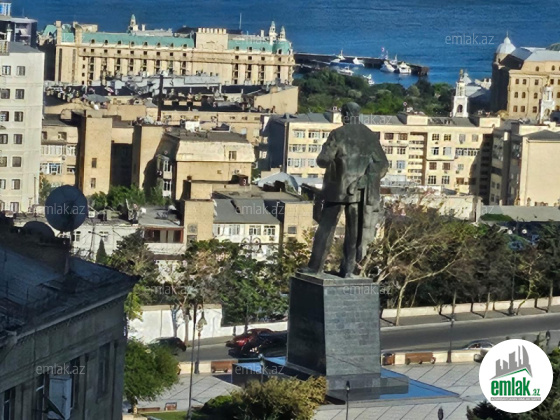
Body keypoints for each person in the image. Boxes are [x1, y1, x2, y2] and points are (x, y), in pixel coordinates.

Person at [300, 102, 388, 278]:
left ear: (346, 114)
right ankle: (348, 270)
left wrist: (325, 153)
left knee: (326, 228)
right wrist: (365, 179)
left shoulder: (338, 134)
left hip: (337, 190)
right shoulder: (370, 136)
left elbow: (323, 160)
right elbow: (383, 164)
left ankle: (315, 267)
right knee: (353, 233)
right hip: (359, 192)